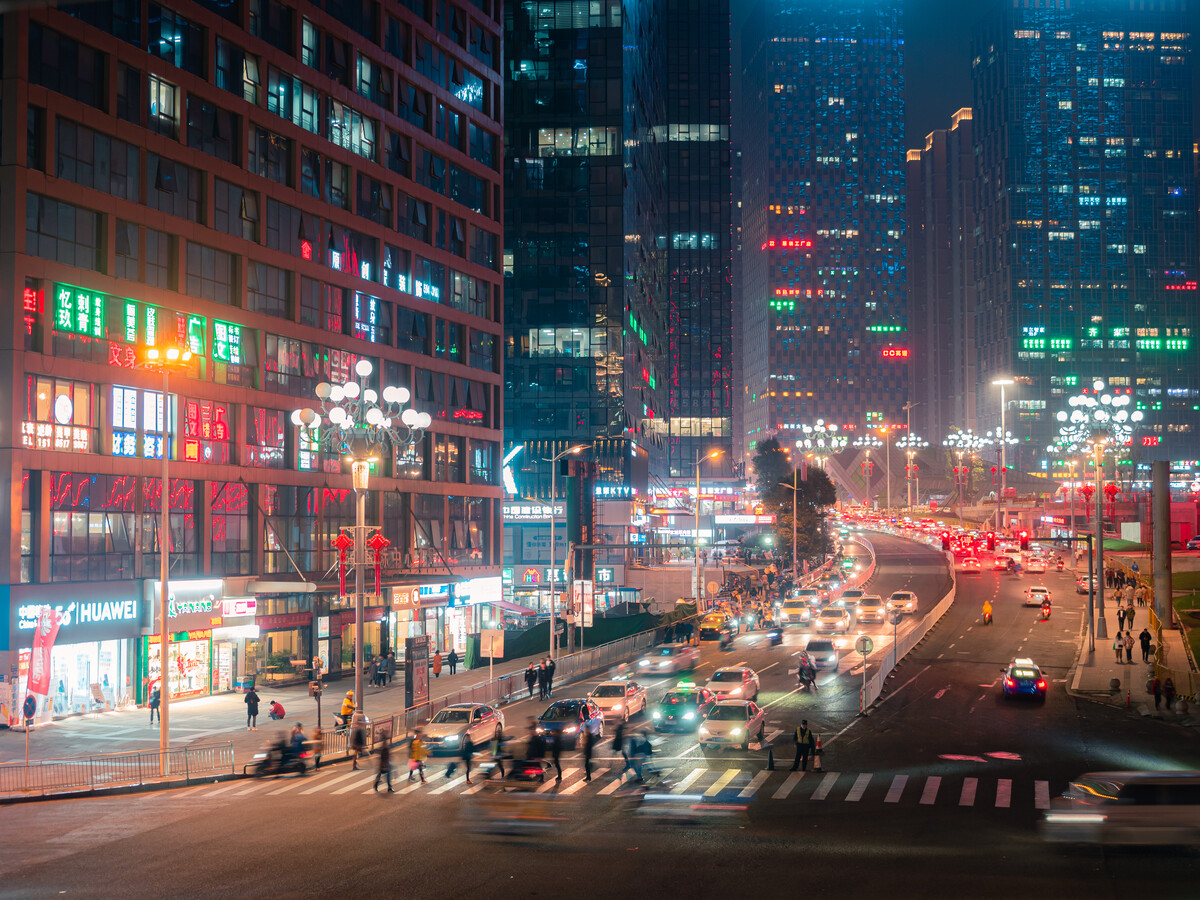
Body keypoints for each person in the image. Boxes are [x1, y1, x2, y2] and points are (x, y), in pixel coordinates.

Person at [582, 712, 601, 782]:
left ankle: (588, 777)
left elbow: (588, 745)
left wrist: (584, 750)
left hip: (588, 752)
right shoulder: (589, 735)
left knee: (587, 765)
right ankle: (588, 776)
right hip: (588, 752)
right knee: (587, 764)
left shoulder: (589, 736)